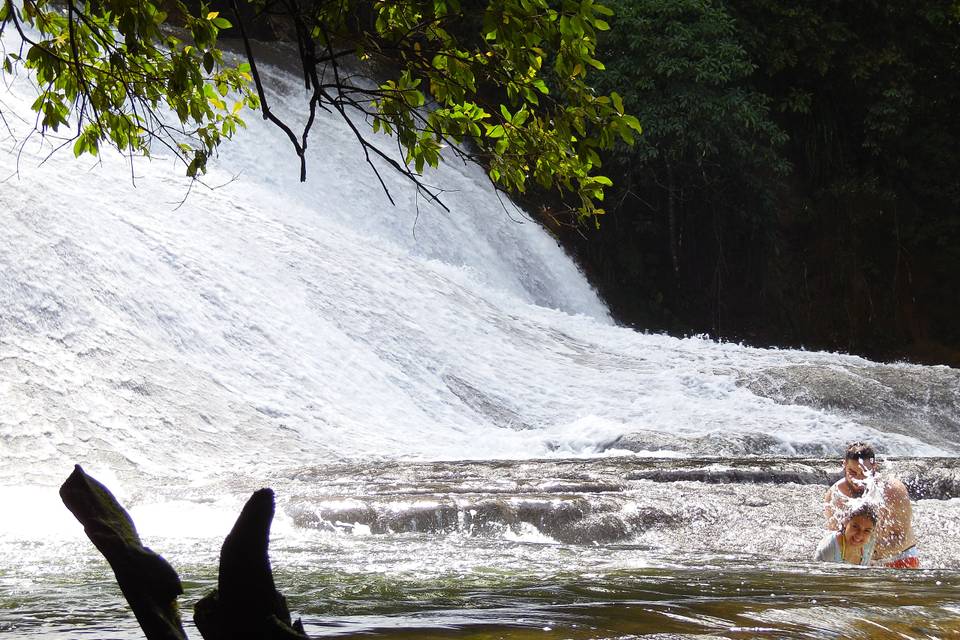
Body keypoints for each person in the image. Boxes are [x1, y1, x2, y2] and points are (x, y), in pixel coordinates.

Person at [823, 442, 919, 568]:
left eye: (864, 472)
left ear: (874, 466)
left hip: (899, 557)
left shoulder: (893, 490)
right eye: (852, 472)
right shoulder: (834, 495)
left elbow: (900, 536)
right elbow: (834, 538)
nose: (858, 479)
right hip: (858, 560)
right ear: (844, 465)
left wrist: (865, 547)